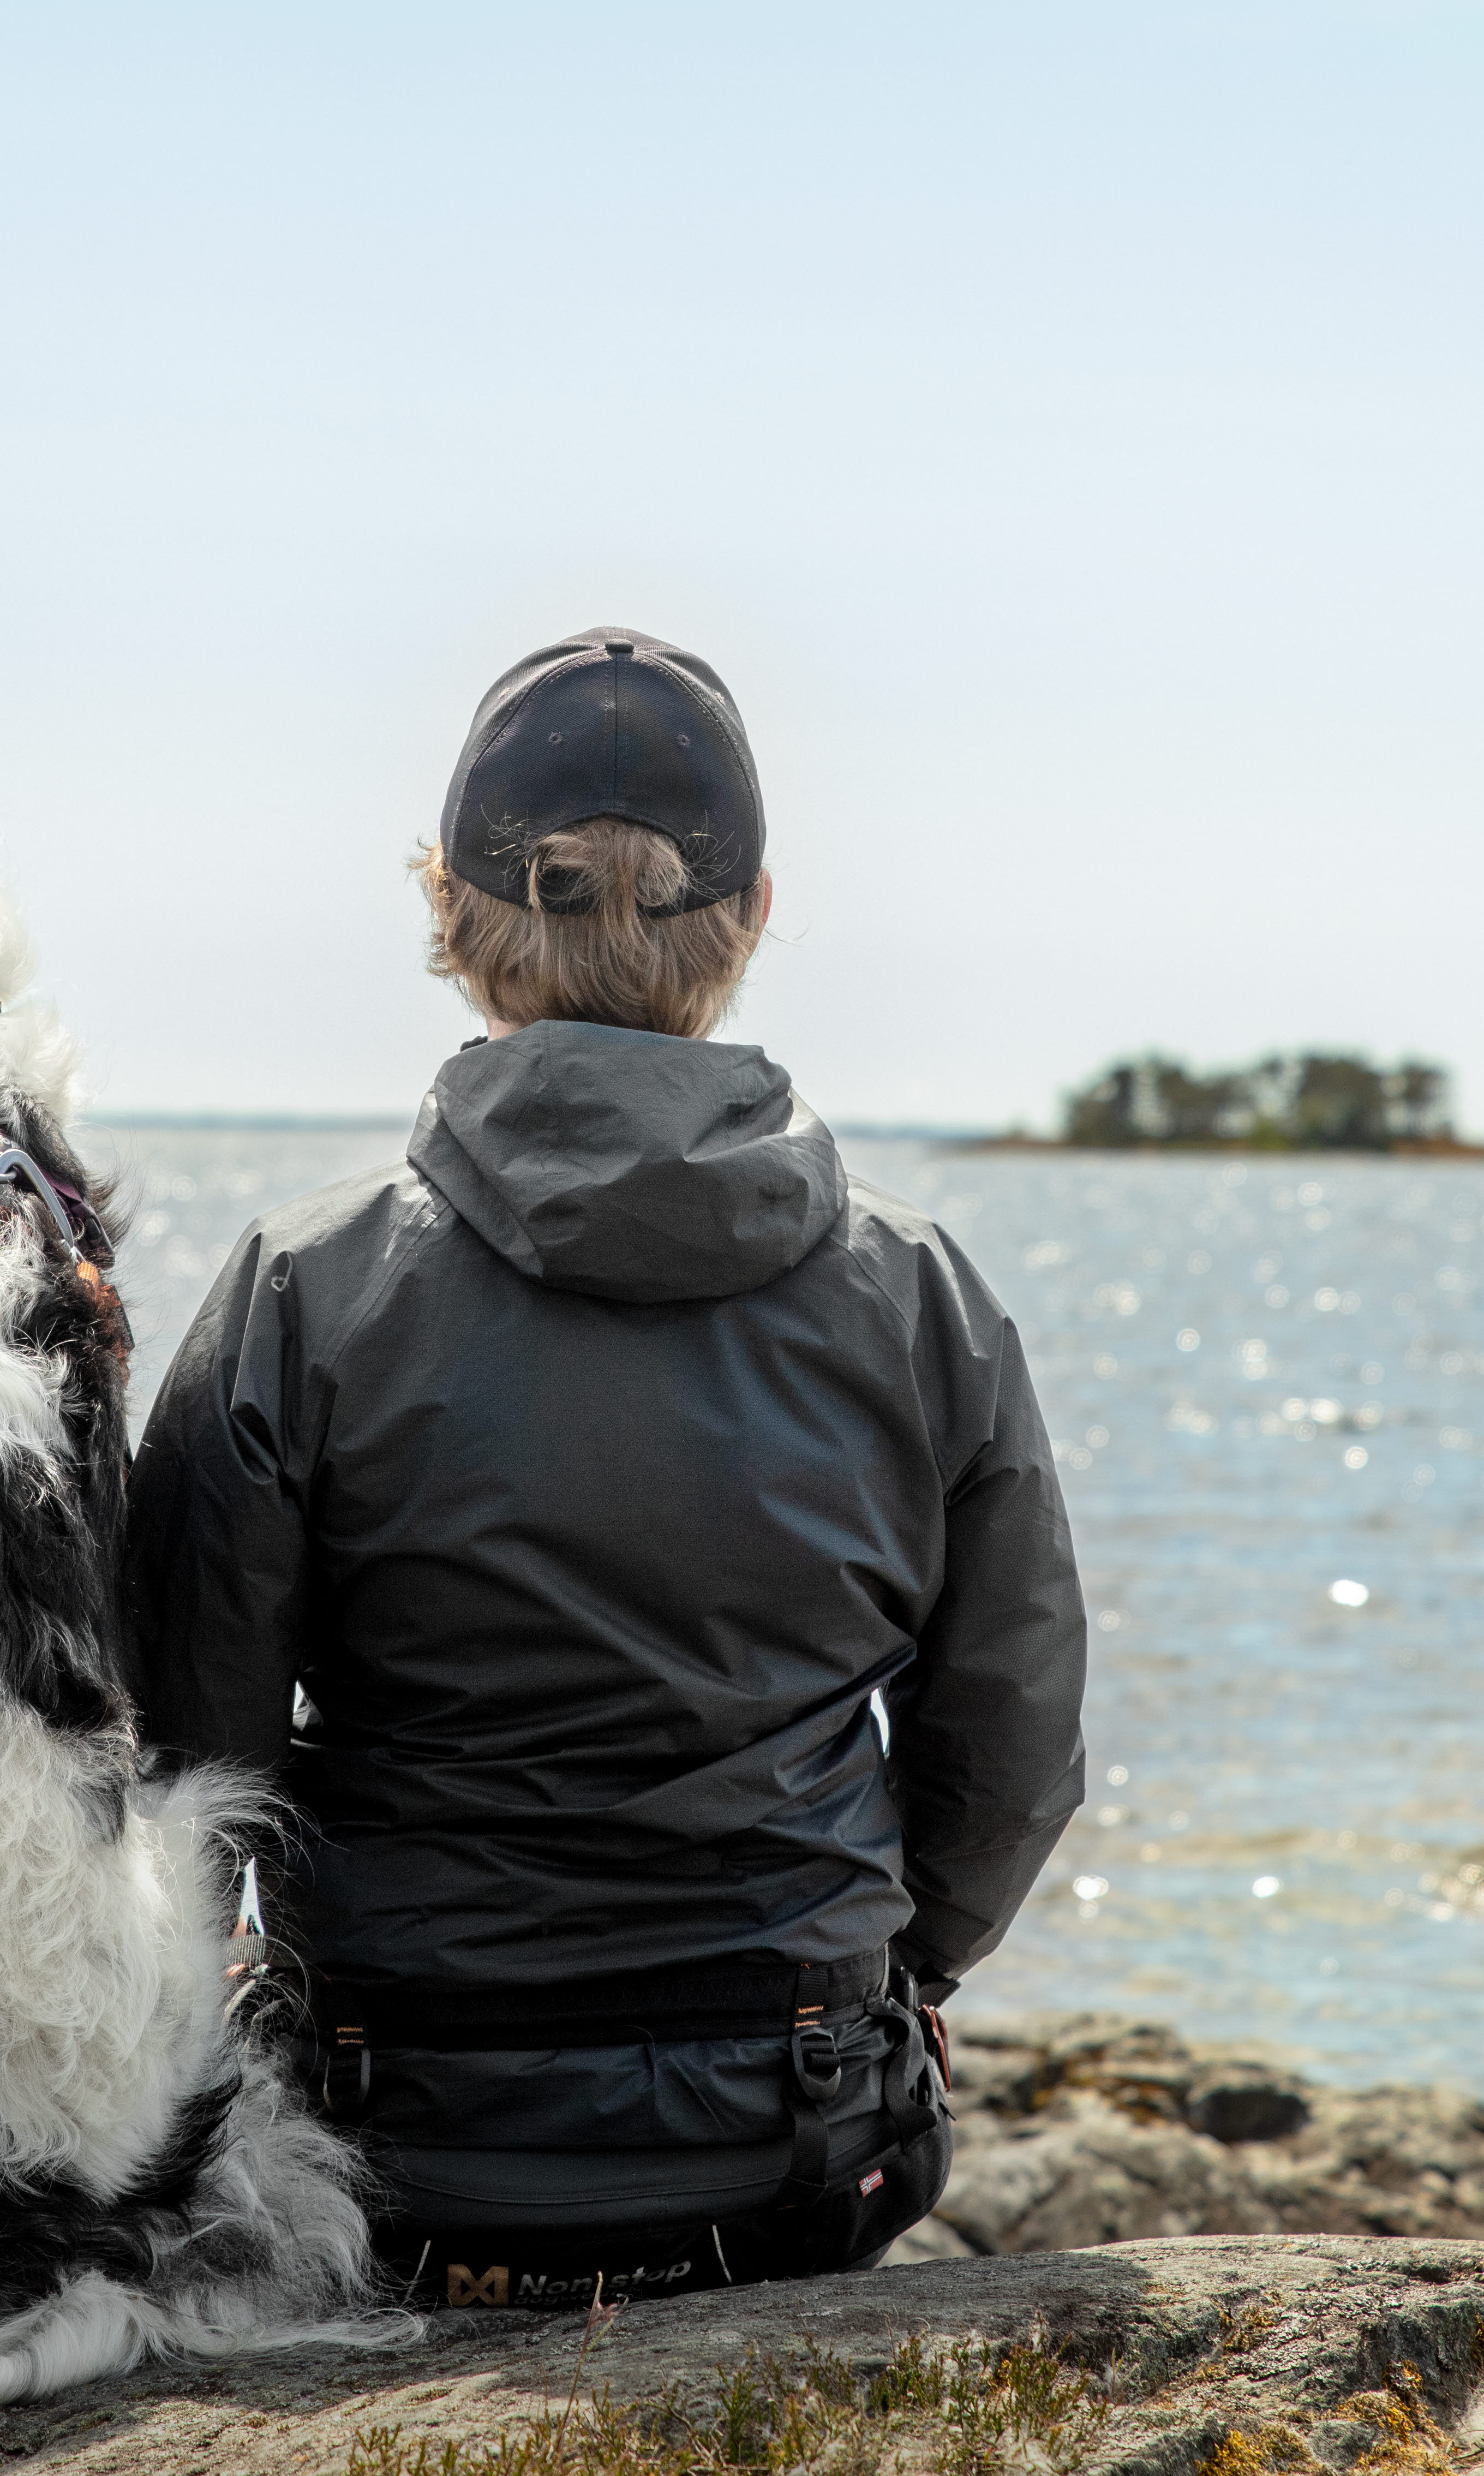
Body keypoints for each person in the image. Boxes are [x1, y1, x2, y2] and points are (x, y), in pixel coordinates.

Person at [118, 631, 1089, 2311]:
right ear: (755, 913)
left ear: (448, 910)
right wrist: (909, 1967)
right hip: (797, 2149)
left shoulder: (306, 1285)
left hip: (386, 2161)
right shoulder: (919, 1294)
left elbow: (180, 1759)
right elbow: (1009, 1738)